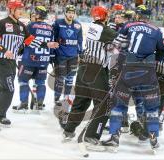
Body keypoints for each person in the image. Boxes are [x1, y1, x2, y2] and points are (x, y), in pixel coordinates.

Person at [102, 5, 164, 153]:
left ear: (138, 16)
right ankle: (153, 137)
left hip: (128, 71)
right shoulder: (157, 30)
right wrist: (154, 59)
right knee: (151, 107)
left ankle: (114, 136)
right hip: (148, 73)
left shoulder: (128, 25)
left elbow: (115, 46)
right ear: (149, 17)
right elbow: (163, 51)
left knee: (119, 105)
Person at [62, 6, 117, 151]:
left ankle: (68, 130)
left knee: (81, 100)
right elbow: (122, 39)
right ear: (104, 17)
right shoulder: (102, 29)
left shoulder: (94, 27)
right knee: (105, 104)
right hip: (96, 70)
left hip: (84, 68)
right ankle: (91, 138)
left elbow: (109, 46)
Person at [0, 0, 58, 126]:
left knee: (4, 88)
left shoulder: (21, 26)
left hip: (10, 62)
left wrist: (46, 44)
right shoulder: (2, 24)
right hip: (1, 60)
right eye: (19, 9)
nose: (21, 11)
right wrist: (4, 50)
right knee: (9, 89)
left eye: (22, 9)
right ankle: (1, 115)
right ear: (11, 10)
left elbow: (30, 40)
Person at [13, 6, 58, 112]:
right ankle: (40, 104)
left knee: (23, 81)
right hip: (43, 60)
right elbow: (51, 45)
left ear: (38, 15)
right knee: (41, 82)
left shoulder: (31, 25)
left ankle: (24, 104)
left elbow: (24, 40)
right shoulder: (50, 28)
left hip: (29, 59)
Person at [52, 4, 83, 106]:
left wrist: (80, 54)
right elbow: (53, 39)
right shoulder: (58, 23)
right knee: (60, 79)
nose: (71, 14)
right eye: (69, 12)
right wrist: (52, 54)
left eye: (72, 13)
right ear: (65, 12)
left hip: (73, 56)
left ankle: (66, 97)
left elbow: (80, 41)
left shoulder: (78, 25)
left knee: (70, 79)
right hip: (61, 56)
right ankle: (56, 98)